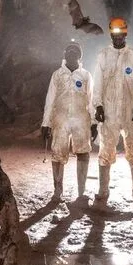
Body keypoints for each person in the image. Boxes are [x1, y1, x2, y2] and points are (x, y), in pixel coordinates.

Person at [92, 16, 133, 203]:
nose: (117, 38)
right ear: (110, 34)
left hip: (130, 110)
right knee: (106, 149)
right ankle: (103, 189)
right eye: (114, 34)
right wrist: (98, 105)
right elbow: (97, 82)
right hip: (109, 111)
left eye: (120, 34)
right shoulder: (103, 55)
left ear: (125, 34)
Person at [40, 41, 96, 204]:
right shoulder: (57, 75)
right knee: (58, 153)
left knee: (83, 152)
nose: (72, 55)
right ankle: (58, 191)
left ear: (80, 56)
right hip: (61, 119)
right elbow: (50, 100)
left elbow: (91, 99)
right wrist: (46, 123)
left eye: (75, 52)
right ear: (64, 55)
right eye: (69, 52)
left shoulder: (86, 75)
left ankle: (81, 191)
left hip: (81, 119)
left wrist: (93, 122)